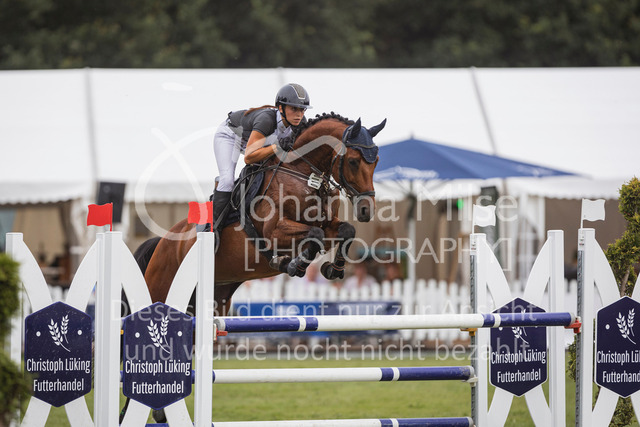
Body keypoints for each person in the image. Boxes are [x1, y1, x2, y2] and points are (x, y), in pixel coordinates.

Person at [210, 83, 312, 234]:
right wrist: (277, 147)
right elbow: (249, 157)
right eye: (294, 109)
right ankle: (214, 229)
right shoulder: (267, 120)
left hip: (259, 141)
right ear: (281, 108)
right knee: (227, 180)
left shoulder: (300, 124)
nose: (299, 114)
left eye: (302, 110)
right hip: (231, 136)